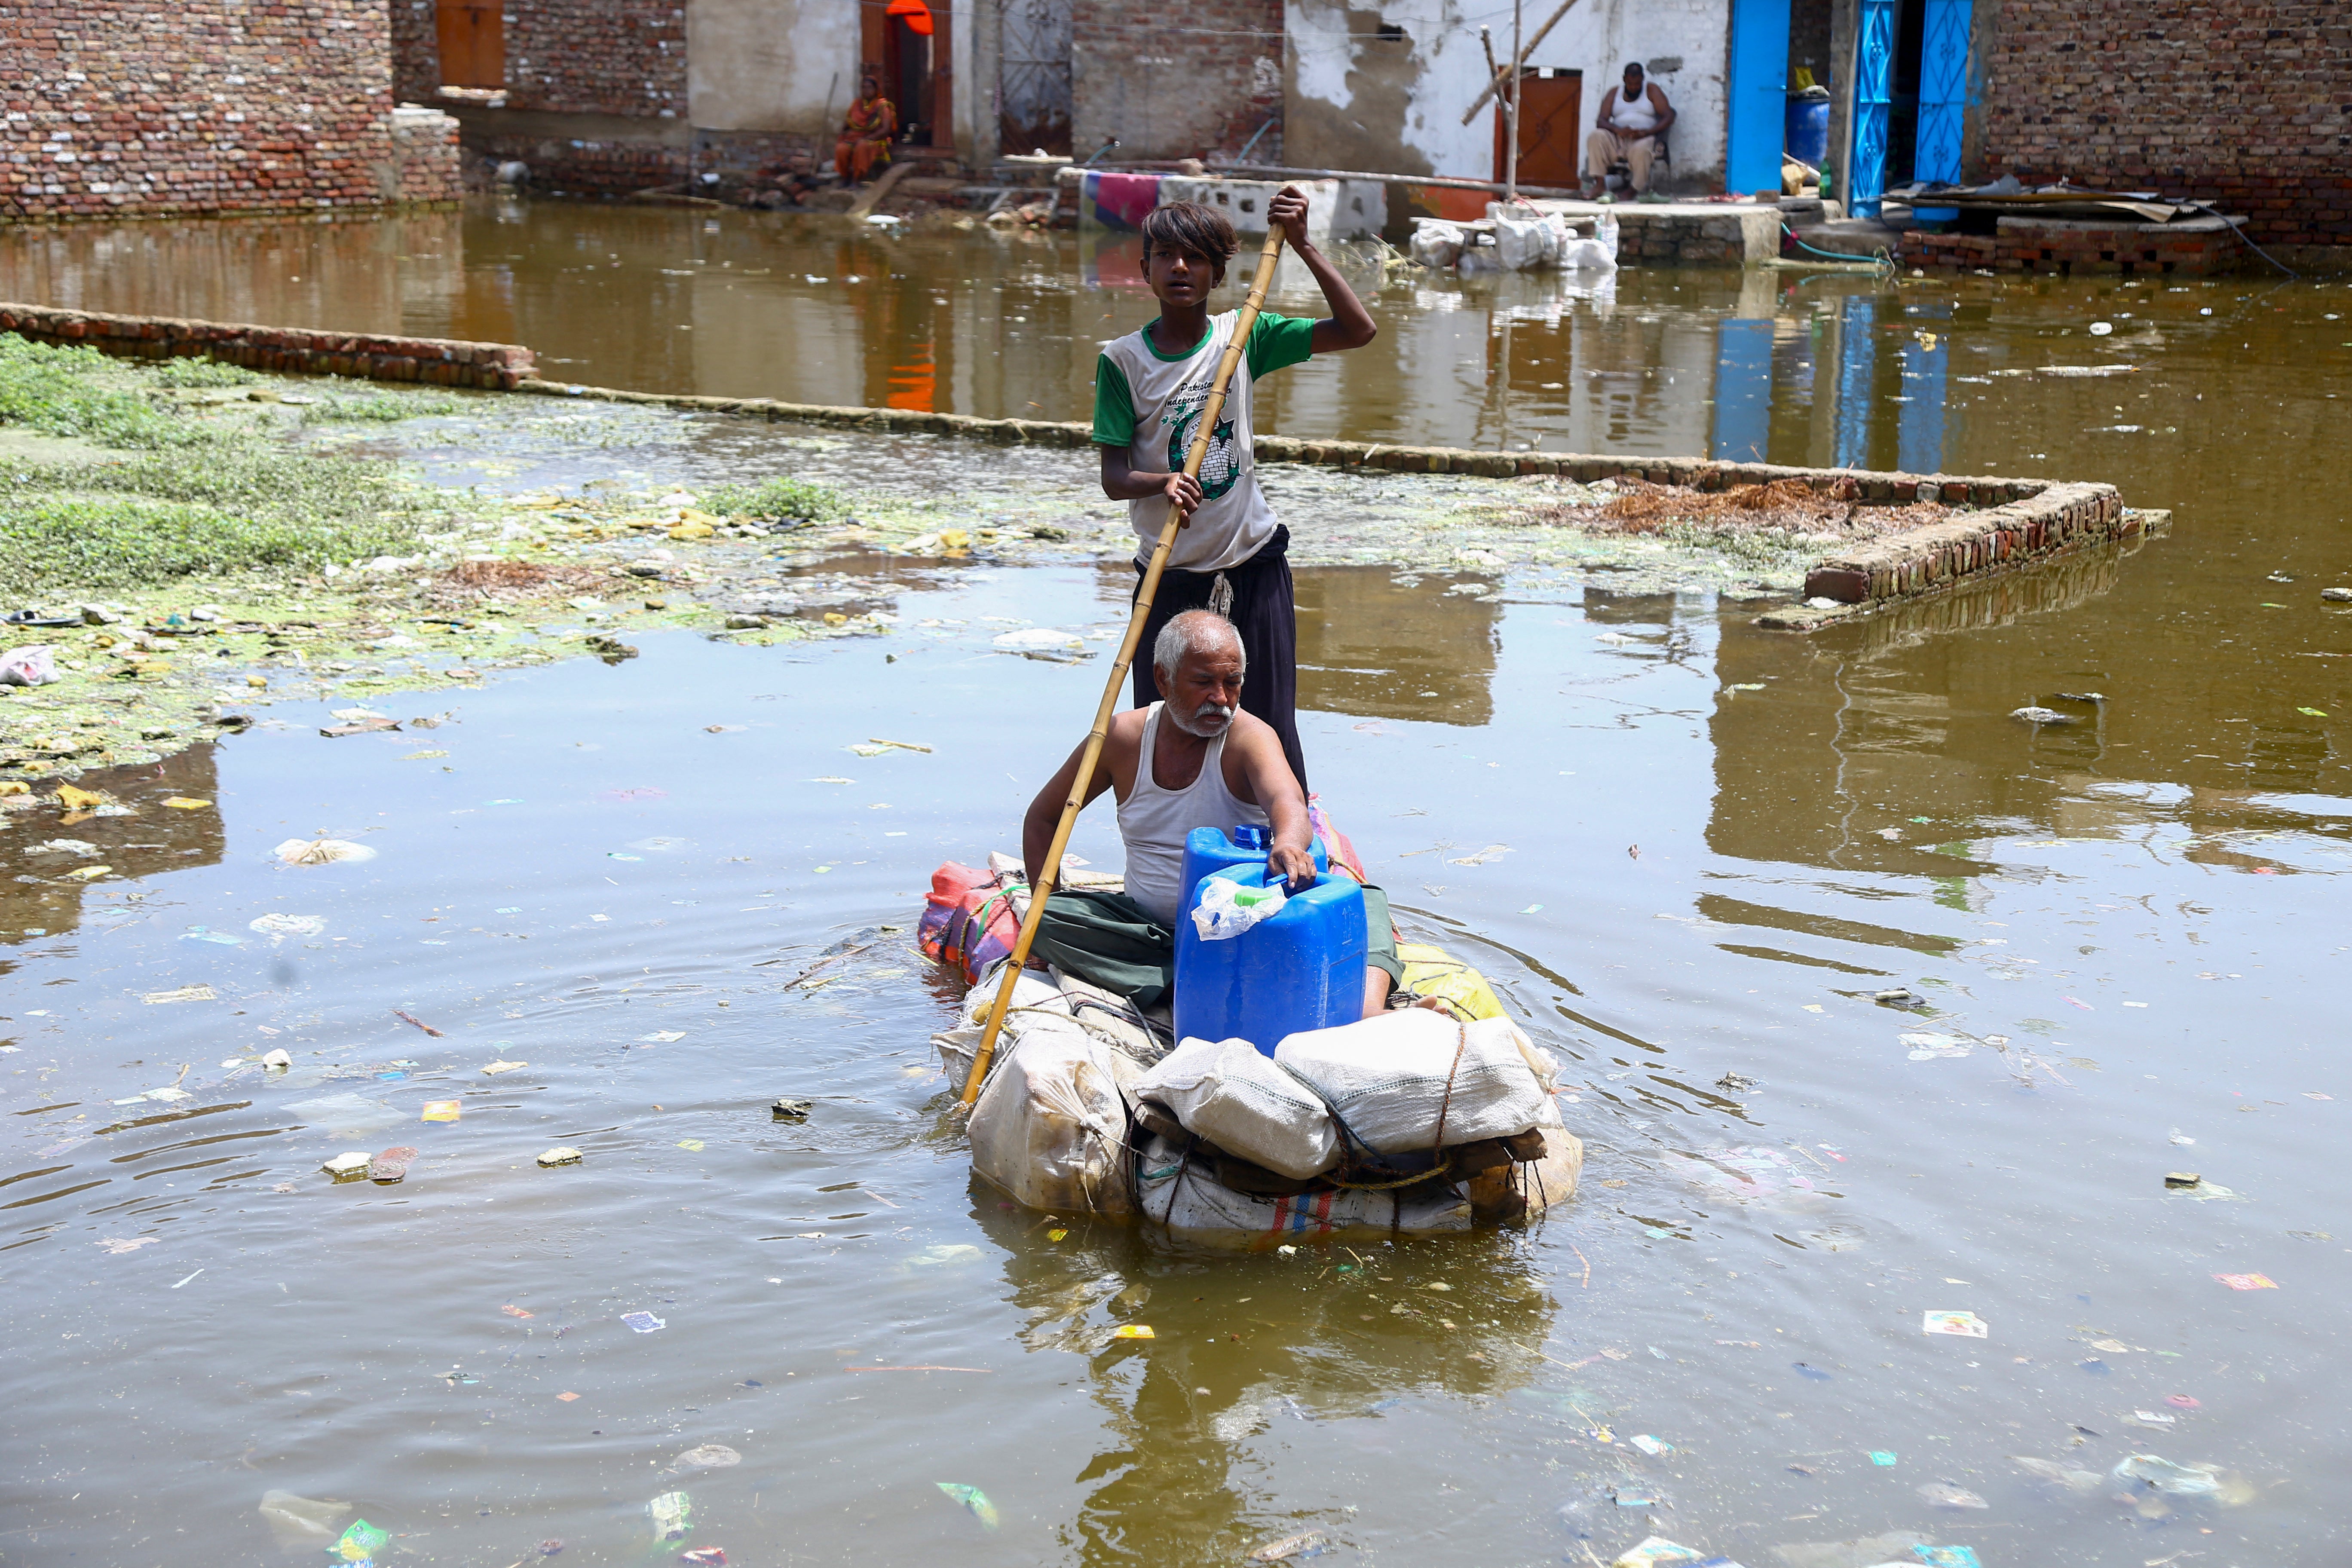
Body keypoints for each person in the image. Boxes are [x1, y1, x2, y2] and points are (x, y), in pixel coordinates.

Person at [1092, 187, 1378, 793]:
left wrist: (1303, 245)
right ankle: (1167, 844)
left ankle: (1287, 841)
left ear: (1217, 273)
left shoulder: (1242, 336)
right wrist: (1163, 481)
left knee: (1268, 723)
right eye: (1165, 256)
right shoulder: (1122, 362)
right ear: (1144, 270)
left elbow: (1358, 331)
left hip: (1252, 564)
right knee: (1165, 728)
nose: (1179, 269)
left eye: (1194, 258)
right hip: (1169, 574)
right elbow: (1115, 478)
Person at [1020, 610, 1409, 1017]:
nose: (1221, 699)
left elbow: (1288, 801)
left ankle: (1365, 1010)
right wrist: (1045, 905)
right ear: (1162, 680)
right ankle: (1220, 983)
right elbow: (1044, 818)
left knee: (1364, 903)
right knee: (1045, 918)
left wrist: (1290, 843)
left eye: (1232, 683)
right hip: (1151, 936)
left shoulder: (1250, 738)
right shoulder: (1122, 737)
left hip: (1248, 927)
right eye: (1204, 683)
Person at [1583, 62, 1675, 198]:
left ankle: (1633, 190)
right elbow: (1601, 121)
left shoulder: (1651, 90)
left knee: (1643, 148)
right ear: (1624, 79)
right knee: (1596, 136)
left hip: (1644, 138)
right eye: (1630, 84)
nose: (1634, 88)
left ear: (1643, 79)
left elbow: (1669, 116)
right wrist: (1617, 130)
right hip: (1619, 139)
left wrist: (1647, 132)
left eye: (1637, 84)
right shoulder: (1614, 93)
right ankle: (1600, 185)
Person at [834, 73, 896, 185]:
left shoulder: (883, 106)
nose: (866, 90)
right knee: (841, 148)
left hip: (875, 140)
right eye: (863, 87)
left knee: (862, 146)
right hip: (855, 138)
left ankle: (857, 178)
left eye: (869, 88)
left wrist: (868, 138)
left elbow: (886, 130)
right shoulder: (856, 104)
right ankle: (845, 176)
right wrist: (843, 134)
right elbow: (848, 123)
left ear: (876, 89)